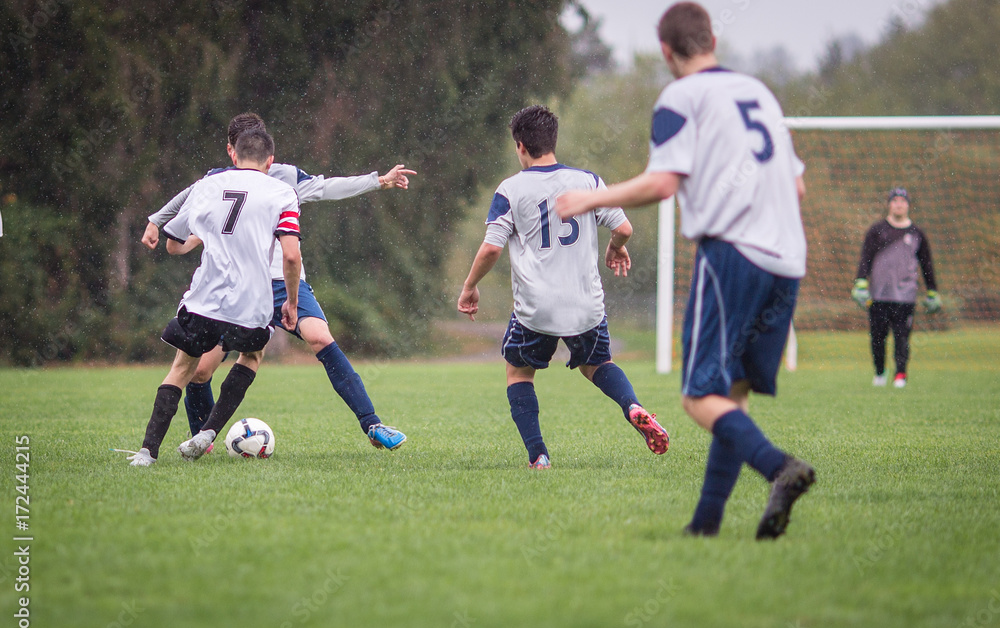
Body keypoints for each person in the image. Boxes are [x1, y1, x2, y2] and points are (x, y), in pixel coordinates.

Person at [556, 2, 814, 539]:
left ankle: (778, 468)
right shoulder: (759, 94)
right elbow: (796, 187)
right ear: (711, 39)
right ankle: (705, 526)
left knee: (699, 396)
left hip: (732, 256)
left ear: (667, 52)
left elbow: (663, 183)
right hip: (788, 259)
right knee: (731, 394)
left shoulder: (682, 96)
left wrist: (589, 199)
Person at [143, 113, 413, 451]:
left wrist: (379, 181)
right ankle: (204, 437)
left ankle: (372, 424)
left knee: (319, 337)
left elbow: (327, 187)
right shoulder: (218, 180)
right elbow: (187, 197)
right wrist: (157, 221)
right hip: (236, 287)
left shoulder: (284, 176)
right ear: (232, 150)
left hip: (284, 283)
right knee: (200, 371)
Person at [457, 105, 670, 469]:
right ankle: (632, 406)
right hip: (586, 305)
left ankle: (538, 455)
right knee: (598, 363)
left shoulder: (511, 188)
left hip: (536, 309)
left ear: (521, 146)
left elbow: (492, 246)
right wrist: (616, 247)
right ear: (552, 141)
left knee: (519, 373)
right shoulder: (587, 181)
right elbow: (624, 227)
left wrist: (469, 287)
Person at [124, 129, 301, 466]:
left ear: (233, 155)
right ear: (270, 161)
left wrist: (205, 238)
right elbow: (291, 256)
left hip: (205, 298)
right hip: (252, 303)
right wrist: (291, 302)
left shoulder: (208, 185)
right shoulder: (282, 193)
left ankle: (147, 452)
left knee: (181, 369)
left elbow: (174, 243)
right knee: (251, 355)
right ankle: (209, 431)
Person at [852, 187, 940, 388]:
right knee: (877, 337)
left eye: (903, 201)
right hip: (879, 294)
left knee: (902, 337)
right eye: (895, 200)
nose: (899, 204)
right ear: (889, 204)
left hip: (906, 296)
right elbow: (865, 258)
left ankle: (900, 374)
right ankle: (880, 373)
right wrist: (860, 281)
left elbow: (926, 264)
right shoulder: (877, 230)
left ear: (908, 205)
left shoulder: (917, 233)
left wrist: (932, 290)